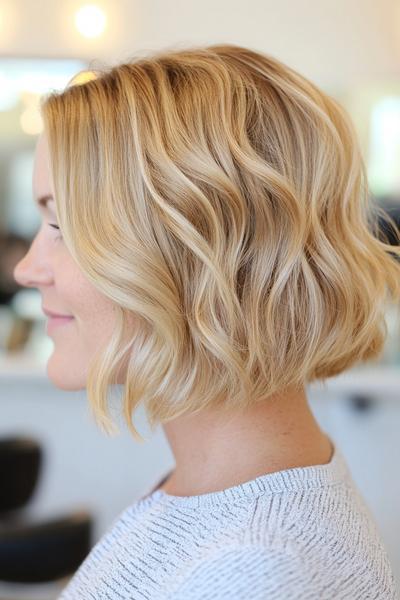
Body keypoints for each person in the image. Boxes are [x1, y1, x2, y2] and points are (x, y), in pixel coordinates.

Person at [13, 44, 400, 599]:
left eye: (63, 226)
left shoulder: (256, 574)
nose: (28, 268)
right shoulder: (213, 494)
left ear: (192, 252)